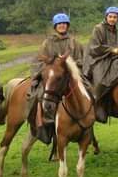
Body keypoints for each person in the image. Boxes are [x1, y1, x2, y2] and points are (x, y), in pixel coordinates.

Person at [25, 13, 86, 141]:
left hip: (71, 78)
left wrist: (72, 67)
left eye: (64, 24)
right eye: (59, 24)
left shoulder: (74, 43)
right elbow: (39, 61)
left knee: (90, 90)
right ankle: (42, 123)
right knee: (38, 95)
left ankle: (87, 120)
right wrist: (50, 67)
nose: (62, 26)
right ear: (55, 26)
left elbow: (82, 60)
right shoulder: (47, 43)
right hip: (52, 79)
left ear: (67, 26)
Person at [85, 6, 118, 123]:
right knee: (101, 81)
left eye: (115, 17)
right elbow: (94, 48)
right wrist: (112, 50)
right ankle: (96, 104)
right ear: (106, 17)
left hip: (115, 61)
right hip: (99, 60)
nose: (112, 19)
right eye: (110, 16)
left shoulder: (117, 32)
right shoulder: (98, 28)